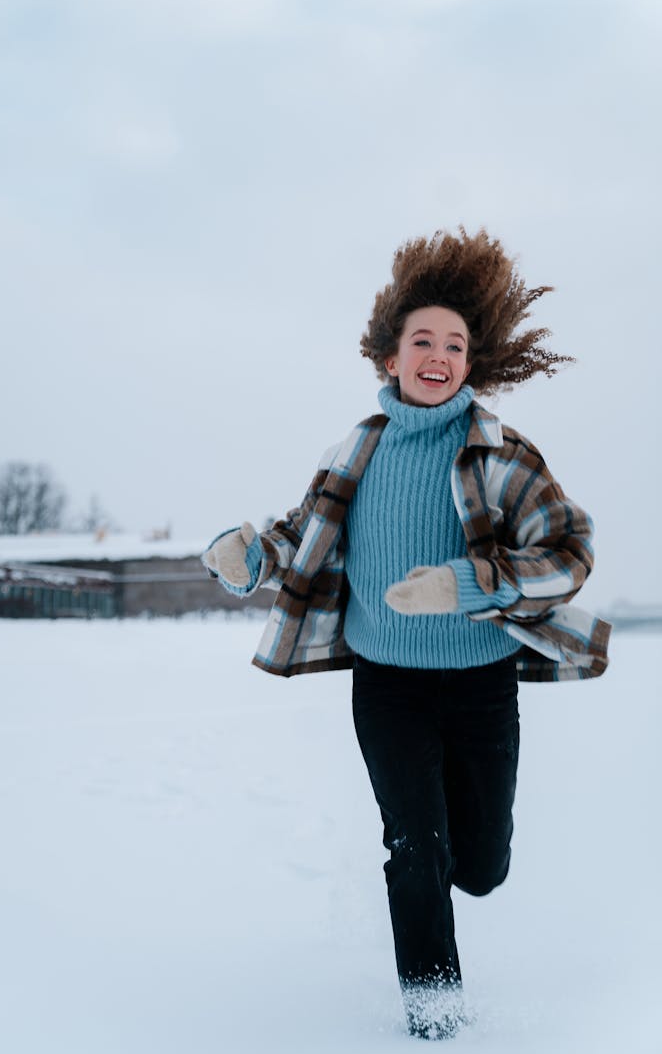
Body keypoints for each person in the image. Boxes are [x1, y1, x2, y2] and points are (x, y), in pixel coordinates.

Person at [202, 228, 611, 1041]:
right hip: (386, 684)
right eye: (421, 339)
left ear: (472, 361)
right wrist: (246, 557)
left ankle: (467, 868)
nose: (437, 353)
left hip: (481, 681)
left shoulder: (501, 453)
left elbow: (570, 554)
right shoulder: (354, 451)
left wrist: (465, 585)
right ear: (388, 356)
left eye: (454, 343)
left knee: (482, 865)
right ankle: (435, 1014)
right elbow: (299, 539)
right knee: (414, 847)